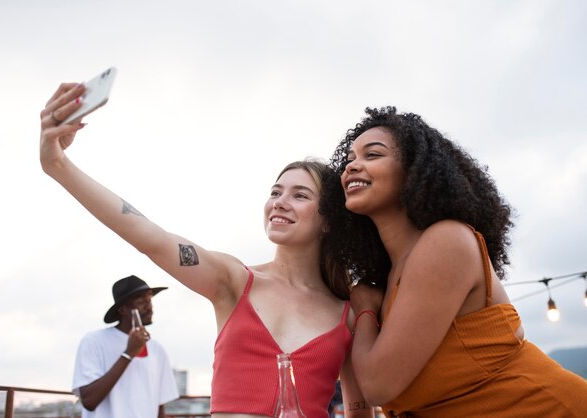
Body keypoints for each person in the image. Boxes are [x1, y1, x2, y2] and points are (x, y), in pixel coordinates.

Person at [39, 82, 372, 418]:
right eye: (275, 192)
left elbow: (359, 409)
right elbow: (149, 237)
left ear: (328, 219)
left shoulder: (347, 314)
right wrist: (58, 165)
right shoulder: (234, 280)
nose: (280, 203)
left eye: (299, 195)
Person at [329, 106, 587, 418]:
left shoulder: (446, 241)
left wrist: (366, 310)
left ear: (414, 170)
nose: (352, 167)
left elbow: (378, 386)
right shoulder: (389, 276)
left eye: (372, 155)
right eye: (349, 160)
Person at [72, 275, 179, 418]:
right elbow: (89, 401)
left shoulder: (157, 350)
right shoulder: (94, 341)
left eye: (149, 300)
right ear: (122, 310)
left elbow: (159, 406)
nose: (149, 307)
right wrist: (129, 353)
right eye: (141, 301)